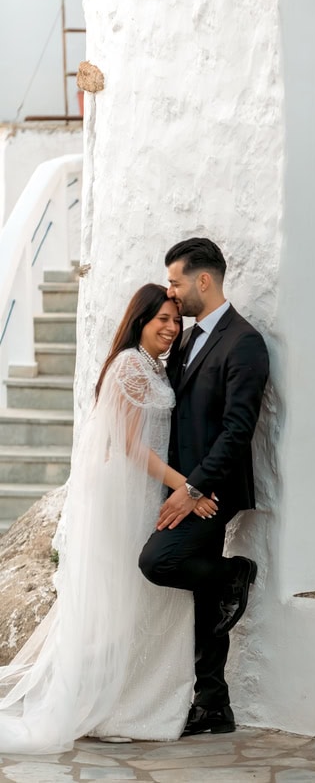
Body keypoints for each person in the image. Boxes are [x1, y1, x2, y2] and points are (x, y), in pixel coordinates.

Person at [0, 284, 198, 753]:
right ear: (140, 321)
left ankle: (134, 700)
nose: (171, 329)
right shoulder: (130, 365)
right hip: (125, 495)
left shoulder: (152, 365)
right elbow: (130, 444)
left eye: (176, 321)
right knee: (123, 597)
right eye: (162, 321)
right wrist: (181, 484)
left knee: (140, 598)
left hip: (140, 492)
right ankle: (111, 705)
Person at [139, 237, 269, 736]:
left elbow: (238, 429)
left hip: (210, 491)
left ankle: (235, 571)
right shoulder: (189, 337)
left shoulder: (244, 342)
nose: (171, 292)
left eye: (175, 281)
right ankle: (213, 703)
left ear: (203, 280)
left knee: (159, 561)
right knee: (204, 595)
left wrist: (194, 489)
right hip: (181, 486)